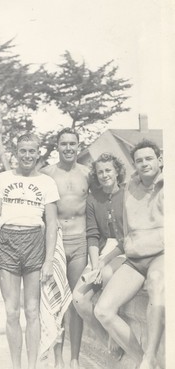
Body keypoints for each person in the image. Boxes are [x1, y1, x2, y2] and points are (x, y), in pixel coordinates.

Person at [0, 133, 59, 369]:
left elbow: (52, 224)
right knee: (11, 312)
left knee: (32, 312)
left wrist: (49, 260)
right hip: (7, 242)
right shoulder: (3, 179)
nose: (27, 155)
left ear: (39, 153)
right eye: (23, 150)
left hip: (34, 242)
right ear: (16, 152)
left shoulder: (47, 182)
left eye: (32, 151)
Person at [93, 139, 164, 369]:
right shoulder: (129, 189)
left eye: (149, 158)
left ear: (159, 159)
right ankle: (146, 361)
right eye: (139, 160)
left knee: (157, 283)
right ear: (134, 165)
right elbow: (124, 235)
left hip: (162, 255)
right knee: (103, 310)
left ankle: (148, 361)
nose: (144, 163)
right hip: (135, 258)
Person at [41, 127, 89, 369]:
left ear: (78, 146)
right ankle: (58, 361)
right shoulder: (47, 174)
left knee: (76, 304)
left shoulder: (87, 174)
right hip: (57, 243)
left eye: (73, 143)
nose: (69, 148)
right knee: (57, 302)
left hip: (80, 242)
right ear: (57, 146)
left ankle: (75, 361)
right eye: (63, 144)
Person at [73, 153, 126, 357]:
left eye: (108, 170)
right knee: (79, 299)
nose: (104, 175)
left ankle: (115, 335)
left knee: (106, 274)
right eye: (100, 171)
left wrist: (104, 262)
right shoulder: (93, 199)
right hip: (102, 251)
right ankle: (106, 339)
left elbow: (127, 239)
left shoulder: (127, 193)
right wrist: (95, 265)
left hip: (124, 251)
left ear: (117, 171)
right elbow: (93, 235)